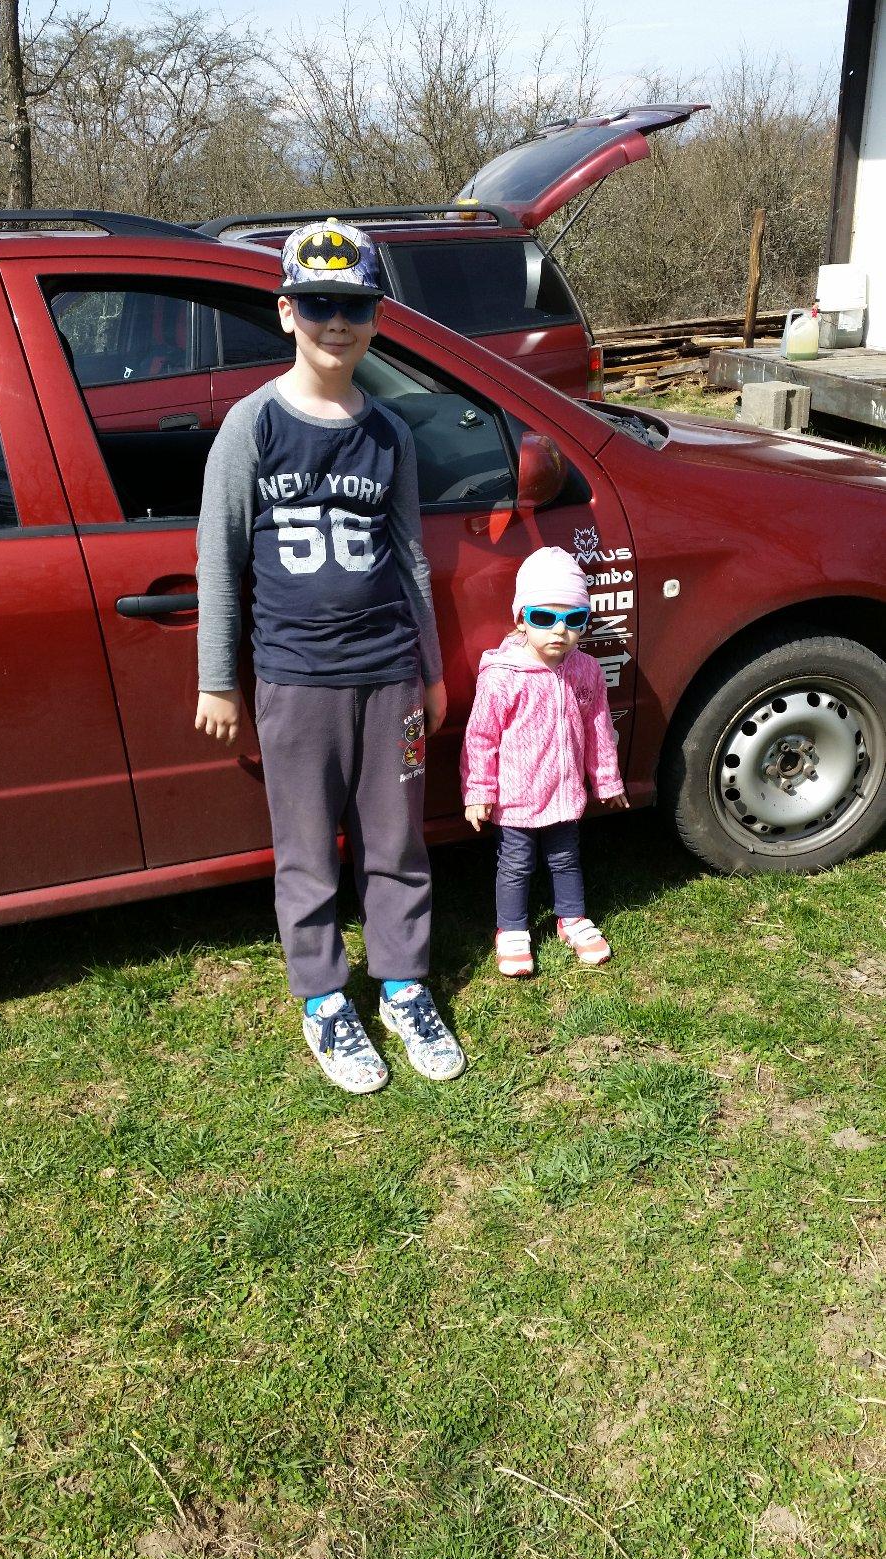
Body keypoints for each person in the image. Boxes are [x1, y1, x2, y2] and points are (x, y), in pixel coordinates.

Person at [194, 217, 465, 1092]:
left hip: (390, 677)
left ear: (377, 317)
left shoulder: (388, 432)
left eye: (352, 306)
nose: (335, 323)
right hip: (296, 680)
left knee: (397, 841)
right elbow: (219, 557)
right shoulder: (251, 425)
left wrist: (430, 670)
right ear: (287, 312)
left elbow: (410, 555)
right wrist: (217, 678)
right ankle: (322, 998)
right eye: (316, 305)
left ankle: (403, 983)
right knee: (307, 849)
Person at [461, 546, 629, 977]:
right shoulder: (503, 675)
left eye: (574, 619)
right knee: (515, 864)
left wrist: (607, 781)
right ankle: (512, 928)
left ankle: (571, 918)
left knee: (566, 858)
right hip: (516, 799)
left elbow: (598, 728)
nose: (559, 631)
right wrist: (479, 792)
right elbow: (480, 738)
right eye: (543, 617)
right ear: (521, 619)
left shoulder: (586, 670)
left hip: (565, 793)